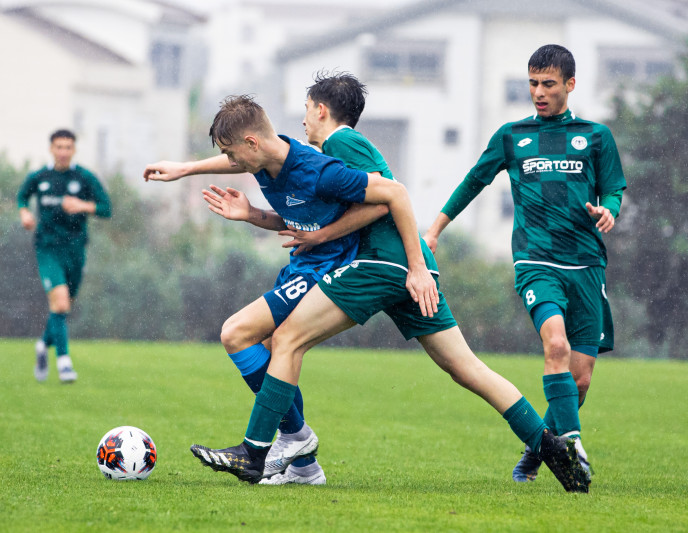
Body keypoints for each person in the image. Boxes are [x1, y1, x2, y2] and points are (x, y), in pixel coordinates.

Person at [186, 76, 590, 492]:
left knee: (286, 339)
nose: (303, 120)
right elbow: (366, 201)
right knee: (467, 369)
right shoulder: (334, 151)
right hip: (413, 272)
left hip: (382, 265)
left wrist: (411, 264)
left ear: (321, 110)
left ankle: (258, 452)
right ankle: (554, 450)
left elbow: (393, 194)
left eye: (307, 109)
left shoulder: (340, 143)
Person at [143, 95, 435, 485]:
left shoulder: (319, 171)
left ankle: (289, 440)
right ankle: (304, 467)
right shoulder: (266, 157)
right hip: (300, 266)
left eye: (233, 154)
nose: (232, 164)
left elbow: (393, 194)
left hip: (327, 270)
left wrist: (418, 266)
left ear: (252, 143)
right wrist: (194, 175)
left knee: (236, 332)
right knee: (266, 353)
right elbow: (292, 221)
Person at [423, 44, 626, 483]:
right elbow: (474, 180)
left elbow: (612, 189)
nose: (538, 92)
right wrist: (435, 228)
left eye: (548, 84)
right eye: (532, 83)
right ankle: (570, 448)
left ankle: (540, 449)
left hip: (587, 266)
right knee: (555, 346)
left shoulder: (595, 136)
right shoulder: (511, 136)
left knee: (581, 380)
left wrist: (609, 209)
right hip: (536, 261)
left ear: (570, 85)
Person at [17, 129, 112, 383]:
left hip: (75, 250)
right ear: (51, 149)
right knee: (59, 304)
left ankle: (42, 345)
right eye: (58, 147)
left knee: (64, 306)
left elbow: (106, 208)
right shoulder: (40, 177)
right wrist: (24, 213)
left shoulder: (84, 177)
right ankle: (64, 363)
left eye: (68, 147)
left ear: (74, 150)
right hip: (47, 248)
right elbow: (22, 196)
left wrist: (82, 206)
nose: (63, 152)